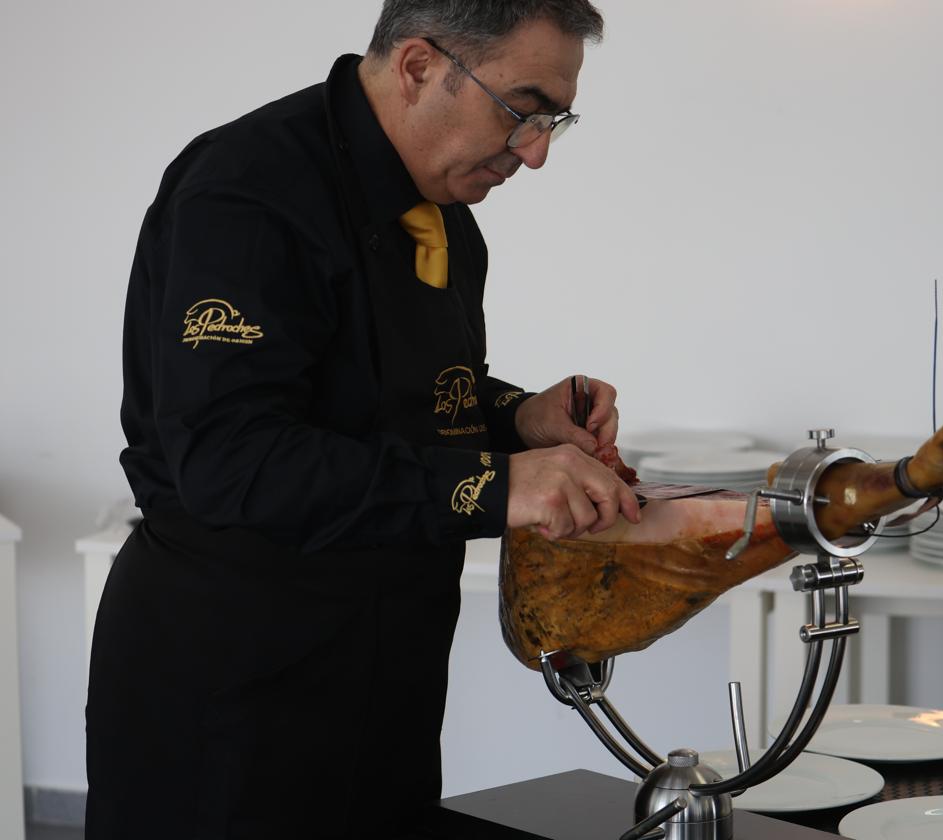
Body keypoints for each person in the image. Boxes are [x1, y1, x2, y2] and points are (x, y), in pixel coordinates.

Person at [85, 2, 638, 838]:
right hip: (233, 679)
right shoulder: (246, 189)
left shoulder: (448, 211)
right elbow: (237, 460)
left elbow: (395, 401)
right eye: (521, 110)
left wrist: (517, 417)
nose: (534, 153)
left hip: (389, 670)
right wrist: (498, 485)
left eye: (554, 119)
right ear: (419, 67)